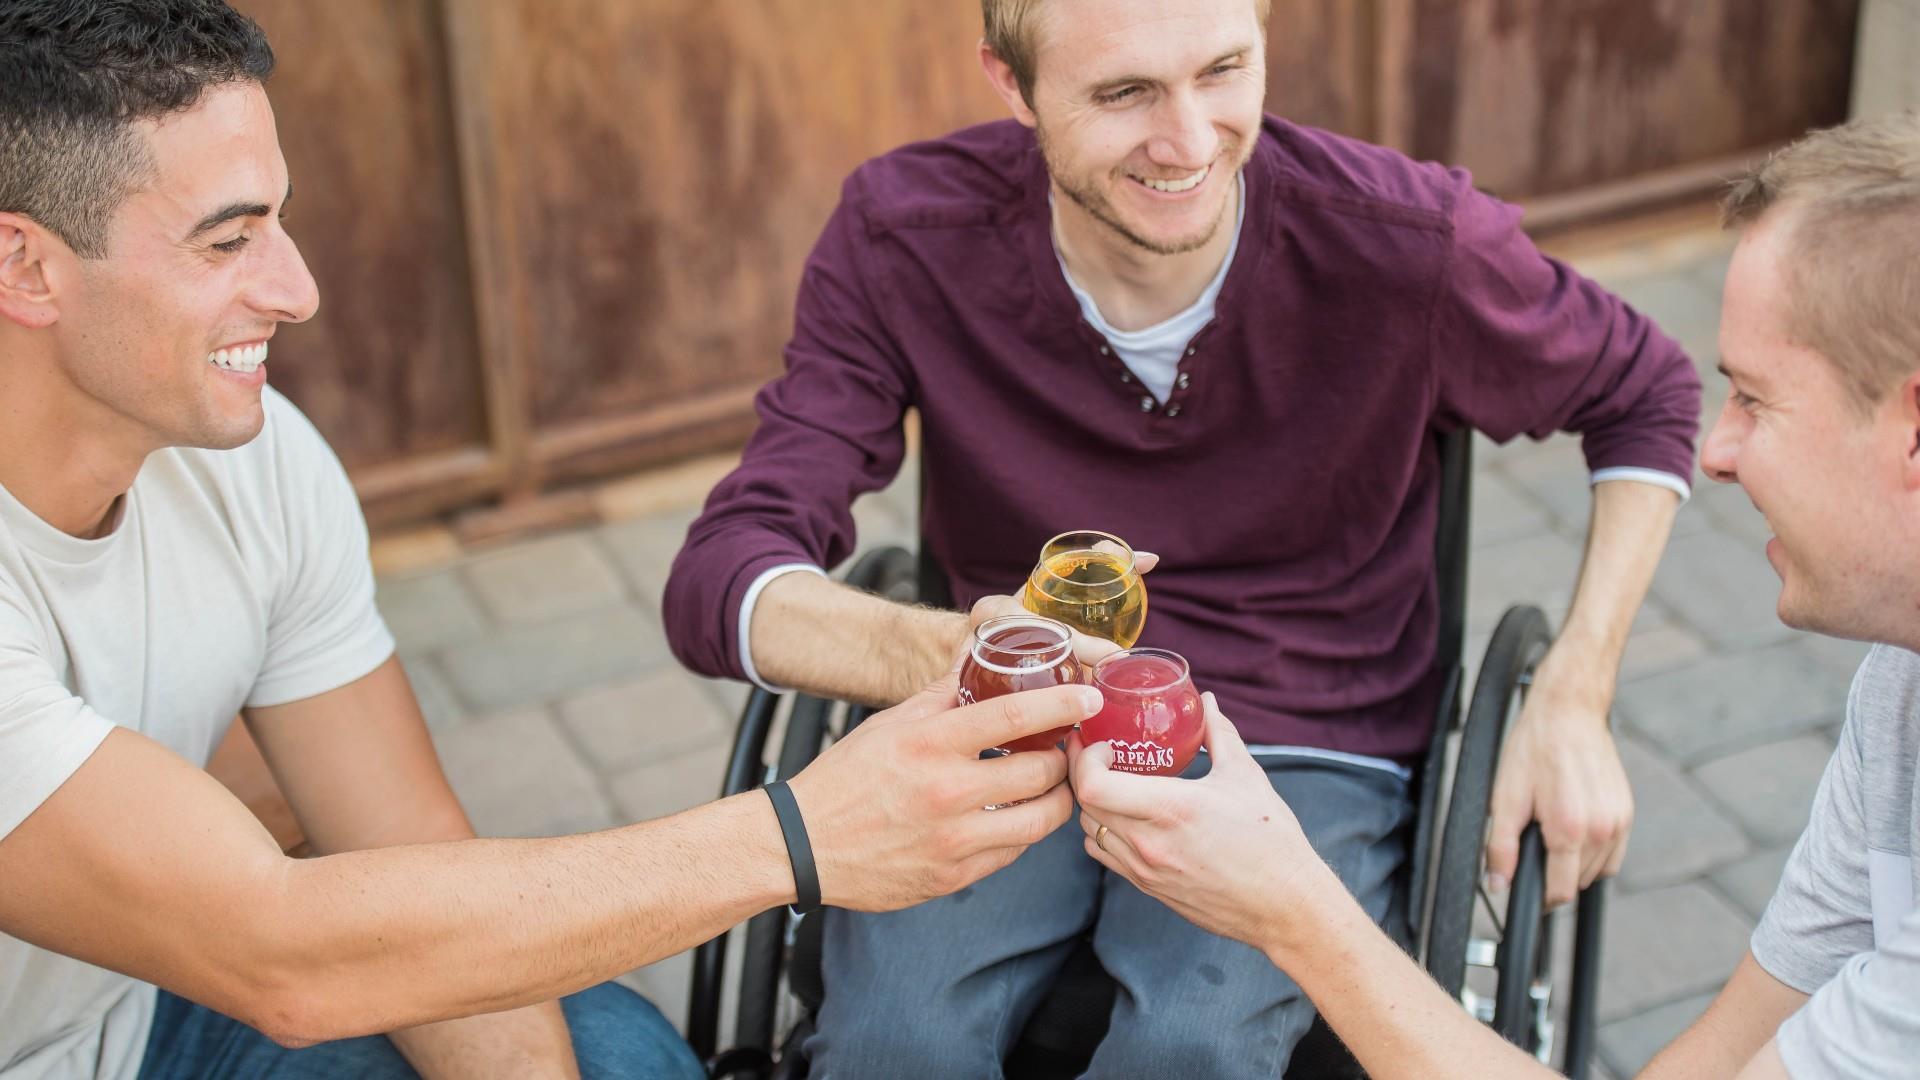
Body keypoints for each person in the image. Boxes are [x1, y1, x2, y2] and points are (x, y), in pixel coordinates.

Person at [0, 3, 1093, 1078]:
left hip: (143, 1010)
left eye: (280, 223)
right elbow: (284, 955)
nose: (298, 290)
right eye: (229, 240)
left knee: (616, 1057)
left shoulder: (257, 457)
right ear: (26, 266)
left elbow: (404, 847)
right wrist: (803, 838)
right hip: (171, 994)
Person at [662, 0, 1701, 1072]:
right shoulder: (904, 236)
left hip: (1306, 732)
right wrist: (942, 655)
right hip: (1019, 721)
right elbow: (719, 581)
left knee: (1189, 1046)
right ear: (1011, 85)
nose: (1191, 141)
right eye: (1124, 93)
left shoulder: (1405, 243)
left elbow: (1648, 393)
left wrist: (1578, 690)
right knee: (893, 1040)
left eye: (1223, 69)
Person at [1070, 110, 1920, 1079]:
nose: (1717, 454)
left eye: (1757, 400)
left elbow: (1638, 390)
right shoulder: (1900, 684)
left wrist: (1292, 909)